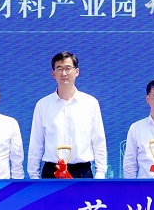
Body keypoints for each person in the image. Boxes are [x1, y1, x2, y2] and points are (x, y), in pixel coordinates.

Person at [27, 51, 107, 179]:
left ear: (77, 72)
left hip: (82, 172)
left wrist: (100, 173)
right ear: (53, 74)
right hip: (51, 172)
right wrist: (34, 176)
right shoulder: (43, 105)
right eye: (59, 69)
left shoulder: (90, 103)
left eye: (68, 68)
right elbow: (36, 143)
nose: (64, 73)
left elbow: (98, 140)